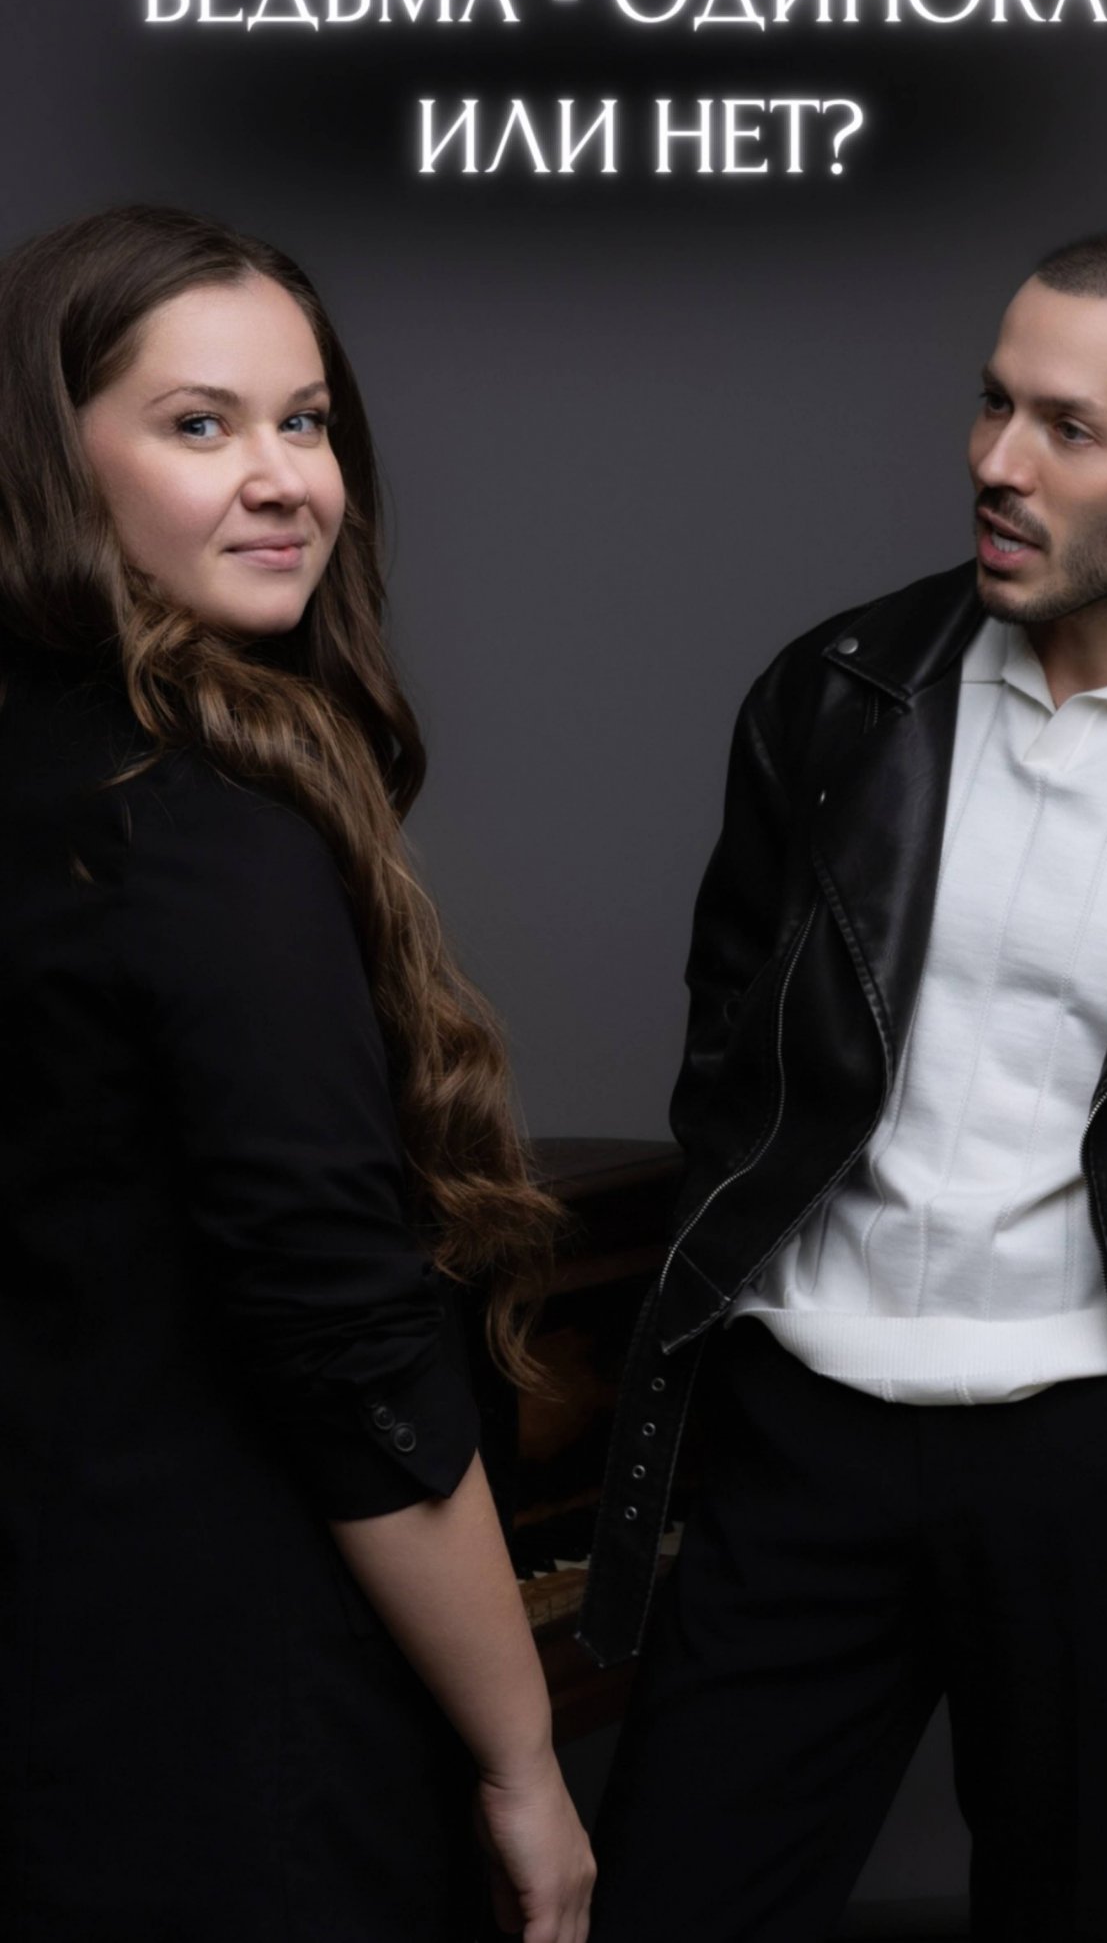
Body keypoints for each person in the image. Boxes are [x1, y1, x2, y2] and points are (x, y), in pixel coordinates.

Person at [580, 228, 1107, 1942]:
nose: (998, 462)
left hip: (1097, 1455)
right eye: (993, 402)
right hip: (801, 1430)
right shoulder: (837, 697)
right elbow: (732, 1044)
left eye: (1070, 427)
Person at [0, 203, 595, 1943]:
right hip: (215, 1721)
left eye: (307, 420)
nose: (285, 481)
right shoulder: (196, 832)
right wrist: (522, 1755)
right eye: (200, 424)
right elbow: (347, 1352)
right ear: (54, 459)